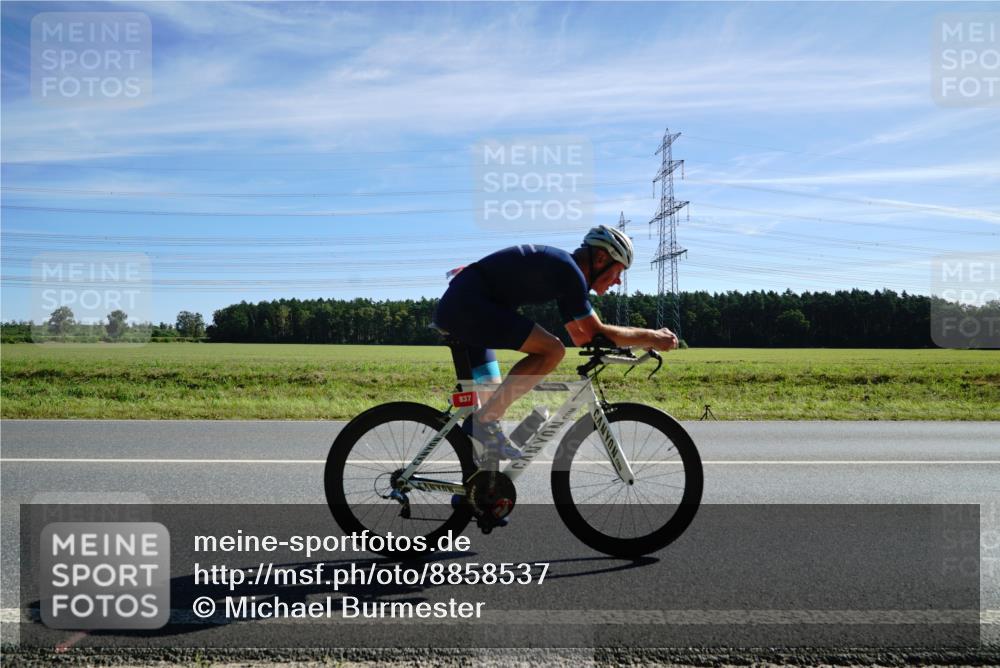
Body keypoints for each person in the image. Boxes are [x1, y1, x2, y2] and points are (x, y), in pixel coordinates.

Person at [432, 225, 679, 459]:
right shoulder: (568, 271)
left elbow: (582, 338)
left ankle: (475, 495)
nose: (618, 281)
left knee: (490, 416)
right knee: (551, 351)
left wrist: (635, 343)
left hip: (468, 308)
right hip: (468, 309)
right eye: (619, 271)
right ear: (602, 259)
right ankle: (482, 423)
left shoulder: (566, 276)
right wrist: (651, 336)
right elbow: (595, 332)